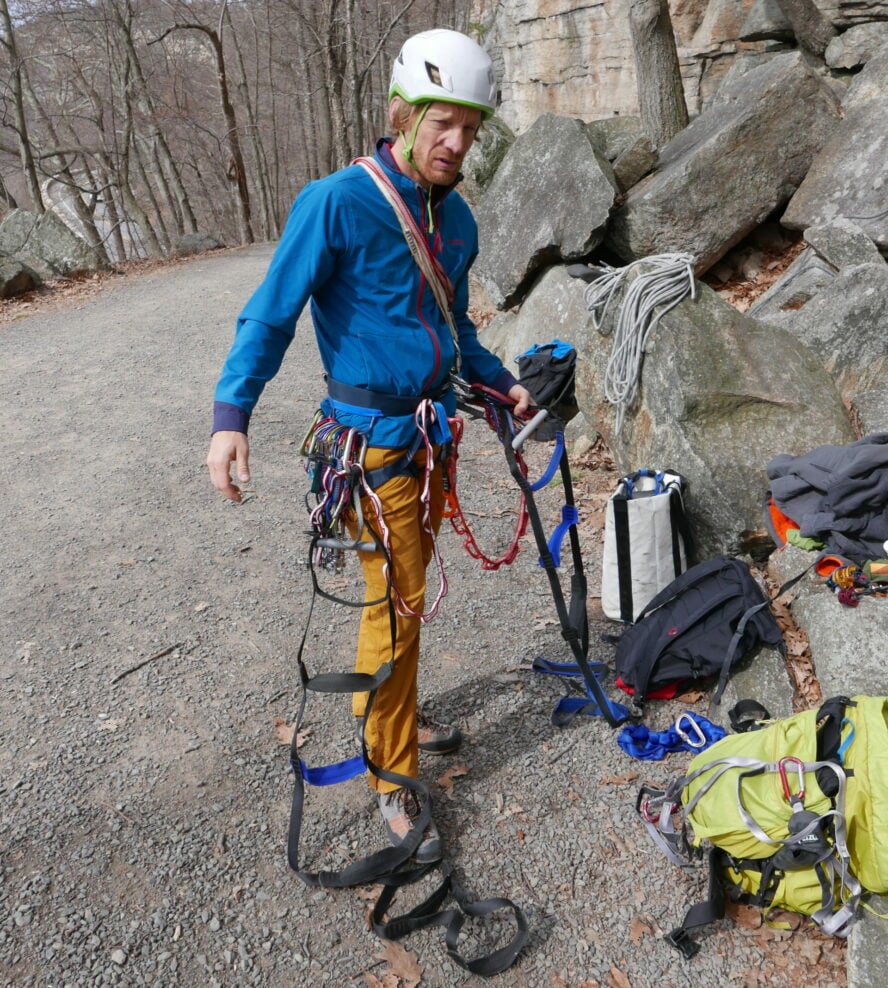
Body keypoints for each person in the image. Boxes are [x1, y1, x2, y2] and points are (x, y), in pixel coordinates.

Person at [206, 28, 531, 864]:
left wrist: (501, 384)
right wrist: (230, 416)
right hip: (370, 446)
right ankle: (391, 771)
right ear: (404, 113)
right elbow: (271, 312)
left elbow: (453, 326)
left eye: (470, 128)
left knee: (406, 600)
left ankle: (394, 710)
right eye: (441, 123)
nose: (456, 144)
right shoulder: (336, 202)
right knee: (400, 601)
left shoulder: (455, 217)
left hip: (431, 437)